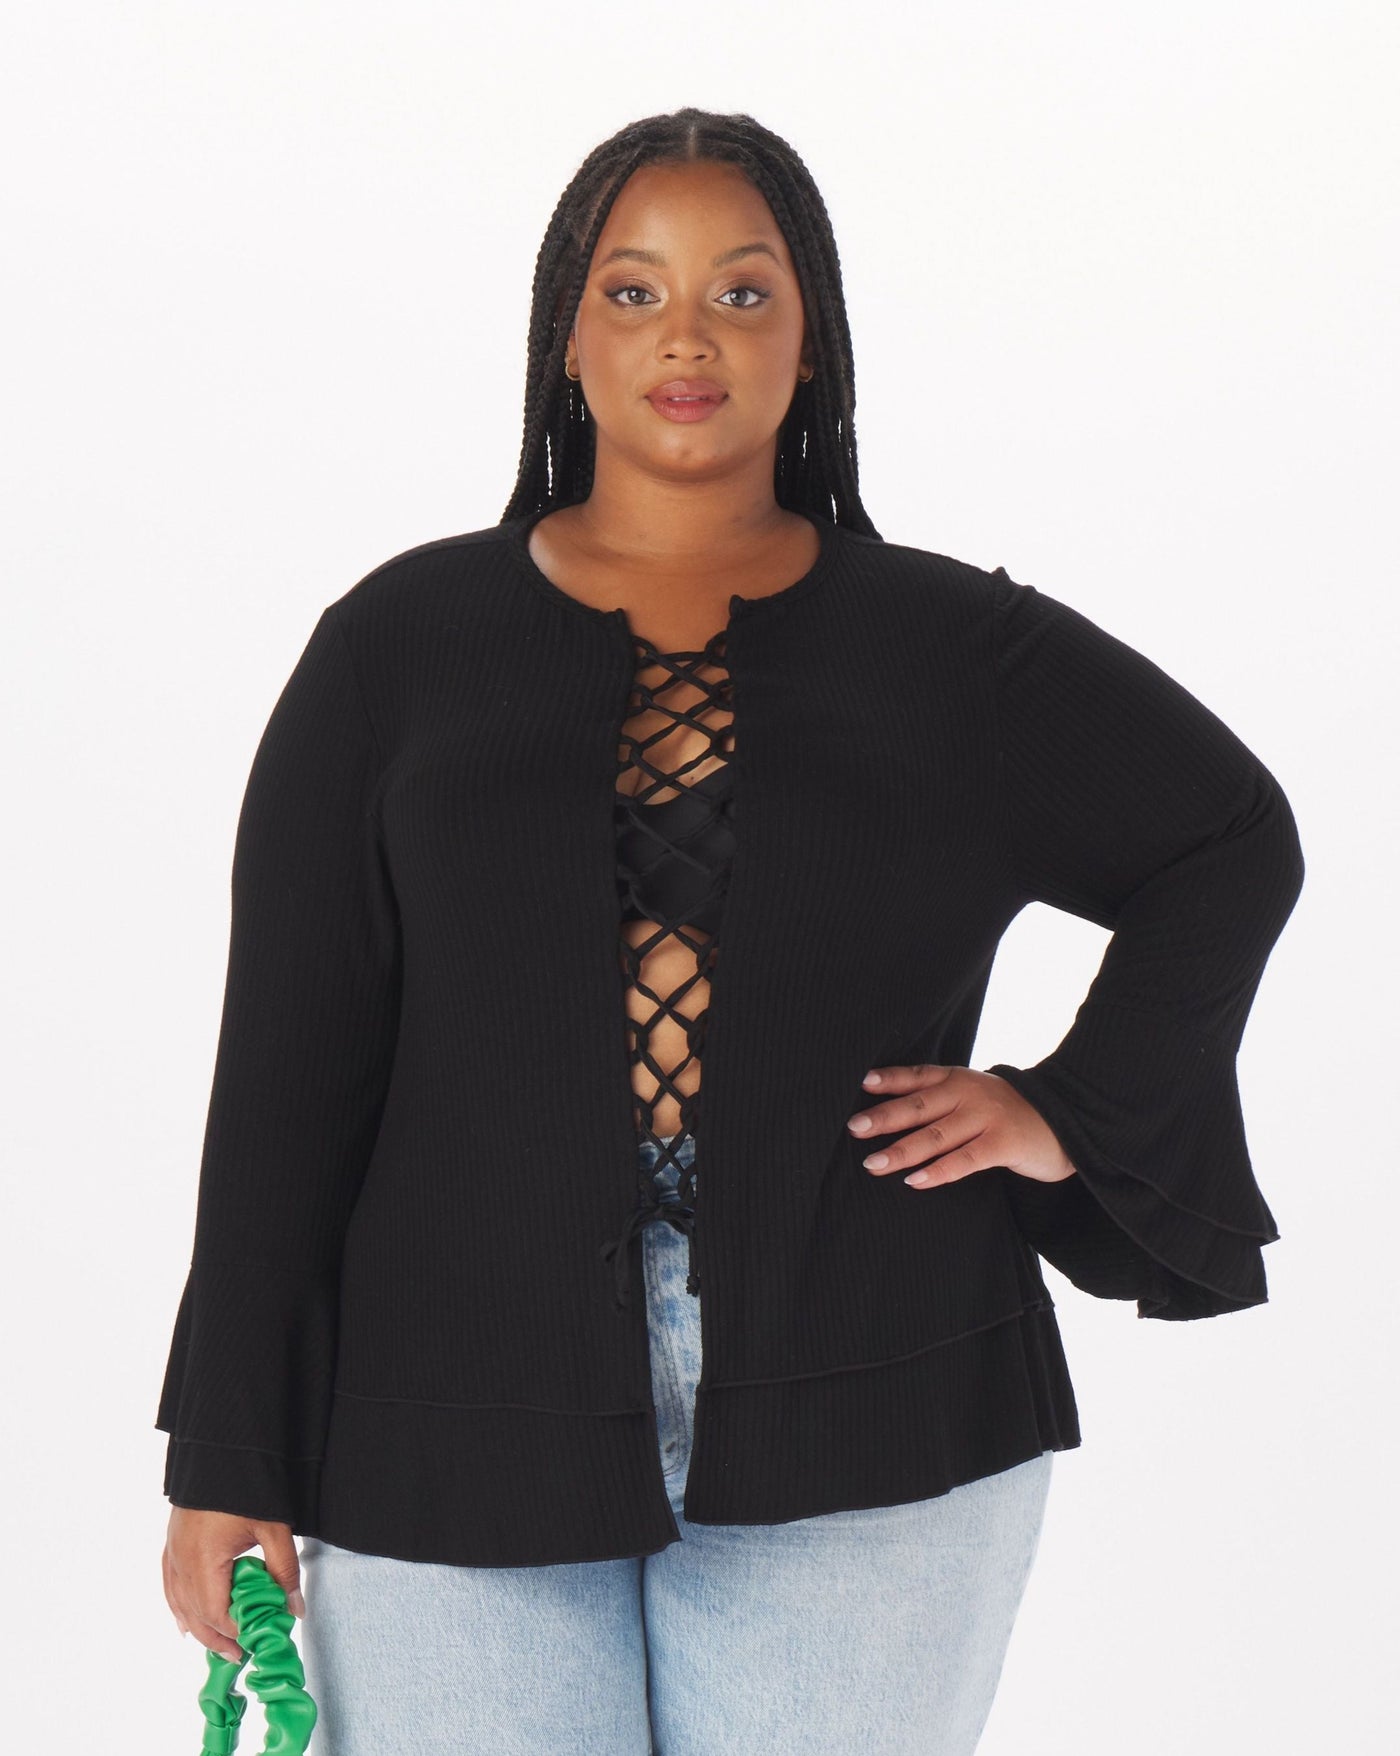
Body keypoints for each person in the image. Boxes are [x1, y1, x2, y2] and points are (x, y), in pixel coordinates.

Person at [157, 108, 1306, 1754]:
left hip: (881, 1395)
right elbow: (287, 1079)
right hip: (441, 1415)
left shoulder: (952, 650)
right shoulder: (395, 650)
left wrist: (1069, 1108)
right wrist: (227, 1455)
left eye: (742, 293)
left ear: (811, 340)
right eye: (633, 293)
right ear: (565, 338)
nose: (686, 337)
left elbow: (1228, 838)